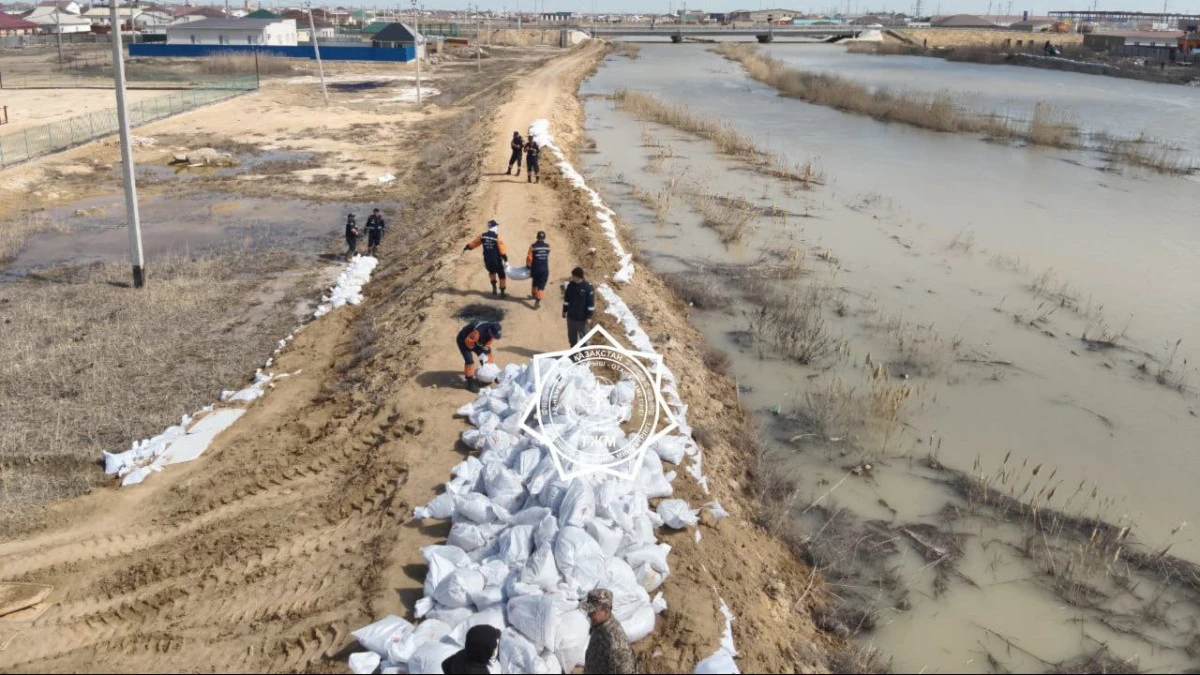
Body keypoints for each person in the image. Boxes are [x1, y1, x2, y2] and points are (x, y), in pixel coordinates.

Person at [581, 589, 637, 674]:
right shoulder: (599, 625)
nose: (589, 614)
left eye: (592, 611)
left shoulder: (616, 645)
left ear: (606, 611)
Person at [463, 220, 510, 297]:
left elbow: (474, 243)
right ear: (494, 227)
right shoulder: (497, 237)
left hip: (487, 260)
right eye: (496, 226)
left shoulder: (482, 236)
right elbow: (502, 250)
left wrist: (468, 247)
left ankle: (494, 287)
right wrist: (505, 259)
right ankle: (502, 292)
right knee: (502, 275)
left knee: (492, 273)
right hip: (496, 260)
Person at [456, 320, 501, 389]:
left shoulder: (491, 331)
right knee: (469, 360)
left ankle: (491, 374)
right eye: (493, 335)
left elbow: (487, 344)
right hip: (464, 340)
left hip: (476, 341)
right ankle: (469, 382)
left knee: (487, 356)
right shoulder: (478, 332)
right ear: (489, 331)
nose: (493, 337)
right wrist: (477, 349)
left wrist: (485, 353)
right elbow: (468, 343)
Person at [563, 266, 594, 347]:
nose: (572, 277)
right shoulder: (570, 285)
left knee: (583, 338)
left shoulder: (588, 288)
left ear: (577, 276)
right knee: (571, 337)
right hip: (571, 317)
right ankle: (573, 355)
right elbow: (566, 299)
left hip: (581, 319)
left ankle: (583, 356)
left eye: (573, 276)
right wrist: (564, 310)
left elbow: (590, 304)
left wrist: (589, 317)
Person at [526, 230, 550, 309]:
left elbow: (529, 257)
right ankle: (537, 301)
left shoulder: (533, 246)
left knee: (535, 281)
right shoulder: (547, 246)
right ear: (544, 238)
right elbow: (547, 253)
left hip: (535, 268)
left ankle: (533, 294)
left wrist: (528, 266)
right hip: (544, 269)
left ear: (537, 237)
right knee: (541, 285)